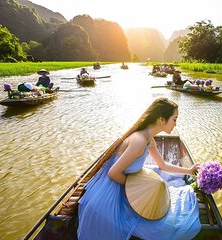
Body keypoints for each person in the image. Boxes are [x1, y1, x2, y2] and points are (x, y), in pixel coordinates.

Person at [78, 98, 201, 240]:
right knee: (169, 227)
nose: (175, 124)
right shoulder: (139, 141)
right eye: (174, 119)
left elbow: (163, 165)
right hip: (112, 191)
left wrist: (189, 170)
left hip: (124, 186)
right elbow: (113, 173)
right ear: (161, 120)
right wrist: (137, 189)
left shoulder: (149, 139)